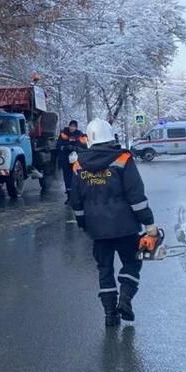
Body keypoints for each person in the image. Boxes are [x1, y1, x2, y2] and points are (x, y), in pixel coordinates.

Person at [69, 118, 159, 328]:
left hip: (97, 230)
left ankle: (110, 314)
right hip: (126, 227)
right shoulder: (123, 159)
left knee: (104, 270)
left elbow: (76, 200)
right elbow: (135, 195)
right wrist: (149, 223)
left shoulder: (79, 165)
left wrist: (83, 224)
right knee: (132, 263)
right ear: (111, 137)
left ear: (89, 139)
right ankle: (125, 298)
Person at [57, 120, 87, 198]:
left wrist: (74, 147)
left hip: (76, 160)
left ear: (76, 127)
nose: (72, 128)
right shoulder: (63, 133)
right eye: (71, 126)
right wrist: (66, 146)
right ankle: (69, 196)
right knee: (67, 177)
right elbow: (59, 145)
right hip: (65, 159)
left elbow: (84, 147)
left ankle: (77, 195)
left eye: (74, 126)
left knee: (76, 176)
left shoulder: (80, 135)